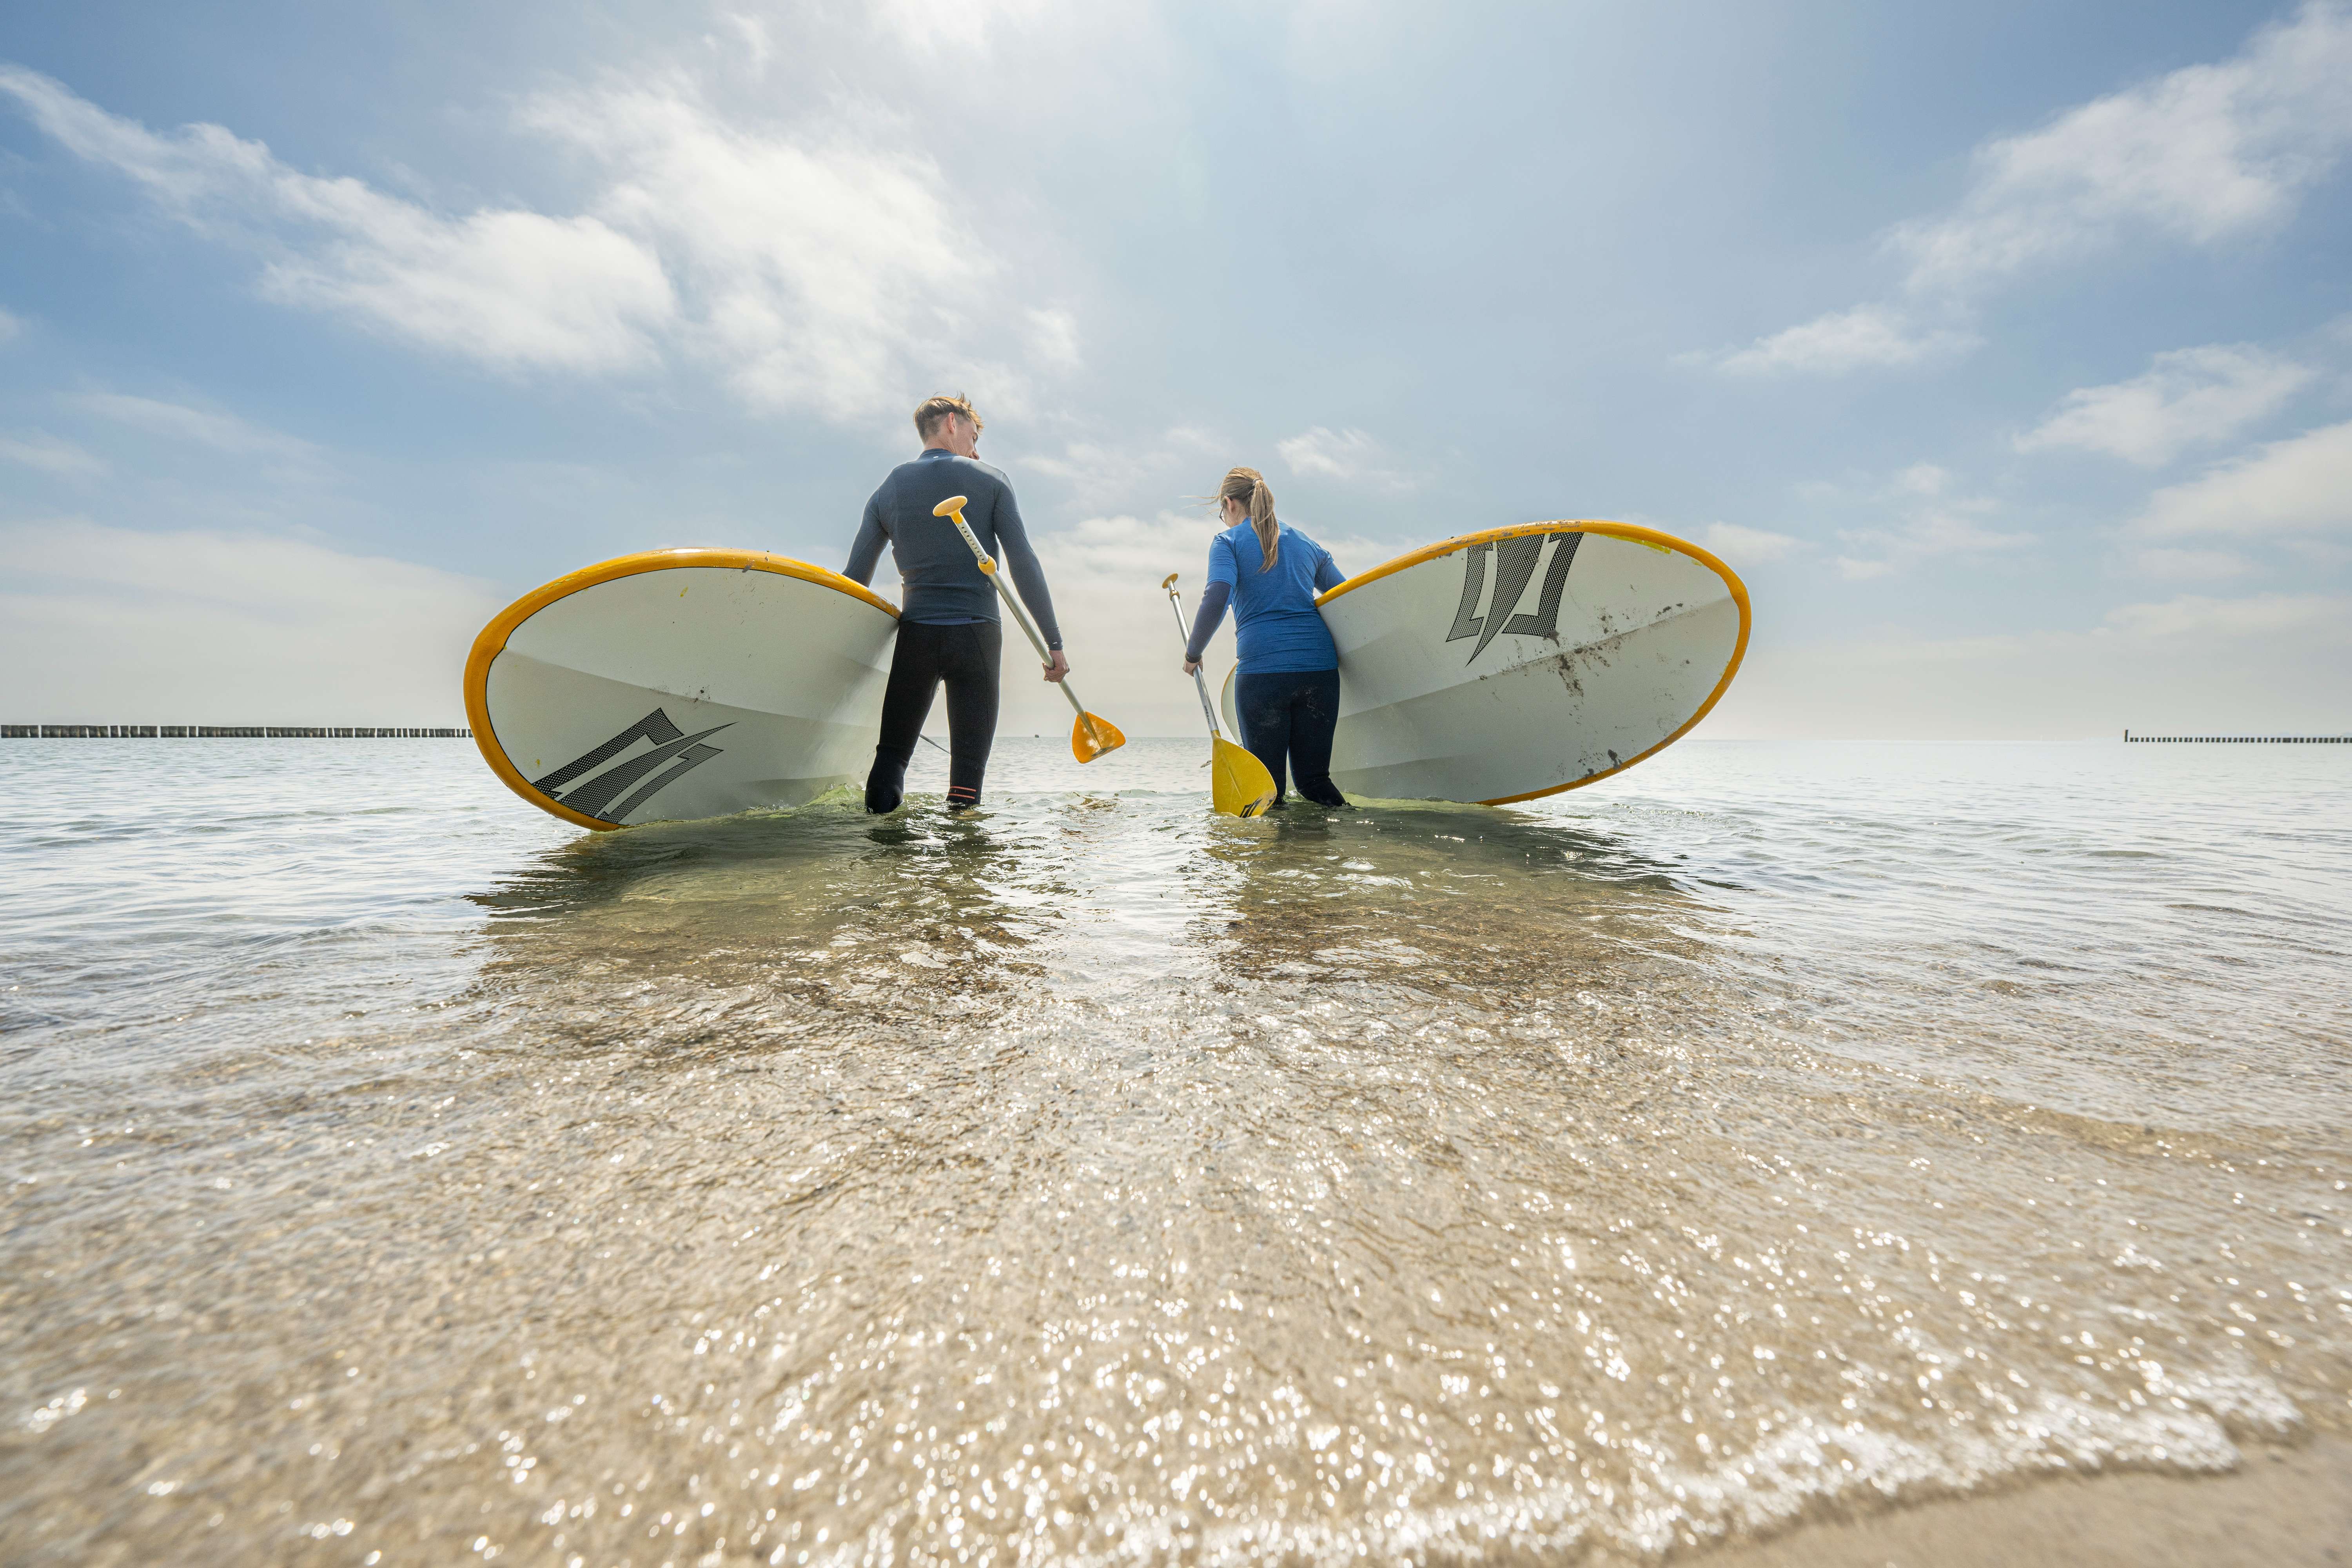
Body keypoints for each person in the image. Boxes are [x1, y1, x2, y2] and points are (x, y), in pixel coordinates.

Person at [846, 394, 1069, 813]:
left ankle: (876, 872)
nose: (976, 447)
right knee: (967, 781)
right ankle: (961, 875)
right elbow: (1024, 565)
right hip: (978, 638)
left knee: (891, 760)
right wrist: (1053, 643)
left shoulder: (889, 488)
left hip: (917, 637)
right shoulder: (992, 479)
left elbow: (855, 579)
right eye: (974, 434)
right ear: (953, 423)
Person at [1180, 466, 1349, 808]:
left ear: (1229, 503)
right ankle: (1344, 851)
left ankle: (1275, 862)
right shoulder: (1305, 542)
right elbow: (1345, 597)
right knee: (1315, 782)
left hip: (1264, 674)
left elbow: (1217, 595)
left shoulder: (1227, 542)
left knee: (1269, 790)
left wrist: (1193, 652)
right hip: (1320, 672)